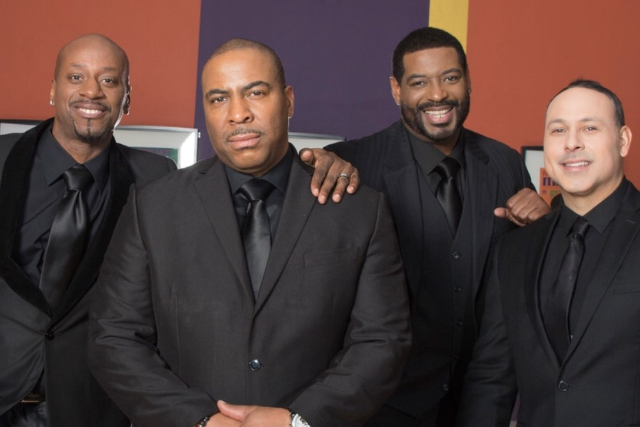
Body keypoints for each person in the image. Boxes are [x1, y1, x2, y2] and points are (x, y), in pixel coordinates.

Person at [0, 34, 353, 427]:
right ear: (53, 89)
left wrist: (331, 163)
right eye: (76, 77)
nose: (92, 91)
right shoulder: (3, 157)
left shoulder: (156, 179)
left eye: (109, 80)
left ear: (127, 98)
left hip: (89, 403)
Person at [88, 38, 411, 427]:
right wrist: (200, 420)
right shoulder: (153, 207)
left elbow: (381, 341)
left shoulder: (360, 210)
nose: (238, 114)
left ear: (288, 101)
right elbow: (115, 338)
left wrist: (298, 421)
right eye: (218, 99)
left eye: (255, 93)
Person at [305, 27, 550, 426]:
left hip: (480, 405)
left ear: (468, 80)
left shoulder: (505, 165)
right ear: (396, 90)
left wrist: (544, 227)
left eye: (450, 78)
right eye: (419, 82)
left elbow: (517, 292)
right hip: (379, 408)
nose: (438, 94)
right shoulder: (352, 166)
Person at [457, 79, 638, 426]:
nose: (572, 143)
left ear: (623, 140)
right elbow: (492, 377)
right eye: (558, 130)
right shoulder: (515, 249)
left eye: (589, 127)